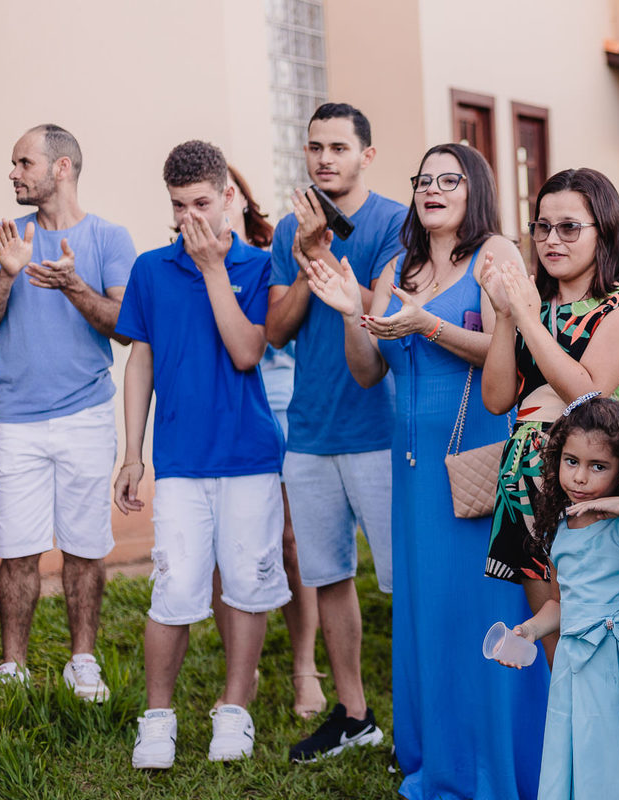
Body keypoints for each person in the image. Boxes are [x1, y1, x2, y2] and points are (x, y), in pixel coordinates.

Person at [305, 142, 549, 800]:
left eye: (451, 179)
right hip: (412, 468)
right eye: (424, 180)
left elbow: (518, 353)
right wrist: (352, 316)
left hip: (477, 459)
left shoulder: (496, 254)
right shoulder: (397, 265)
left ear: (476, 191)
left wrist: (428, 326)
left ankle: (500, 761)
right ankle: (436, 754)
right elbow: (367, 369)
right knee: (427, 611)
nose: (433, 189)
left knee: (484, 606)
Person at [114, 140, 291, 768]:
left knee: (245, 585)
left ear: (230, 198)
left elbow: (247, 352)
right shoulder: (151, 269)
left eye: (202, 203)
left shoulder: (262, 268)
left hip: (248, 457)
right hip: (183, 461)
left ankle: (234, 709)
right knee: (176, 587)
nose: (190, 218)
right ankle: (157, 719)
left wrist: (215, 268)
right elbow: (142, 360)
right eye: (178, 206)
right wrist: (132, 453)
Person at [0, 124, 135, 700]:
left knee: (85, 547)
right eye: (13, 164)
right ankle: (13, 667)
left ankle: (82, 661)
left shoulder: (110, 238)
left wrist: (73, 286)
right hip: (18, 419)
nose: (13, 173)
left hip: (86, 415)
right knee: (17, 549)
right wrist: (10, 275)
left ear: (61, 168)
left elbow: (126, 328)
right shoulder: (1, 236)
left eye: (23, 162)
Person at [265, 103, 405, 759]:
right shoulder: (291, 227)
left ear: (366, 155)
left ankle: (431, 704)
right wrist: (303, 259)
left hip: (380, 426)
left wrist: (332, 261)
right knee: (327, 576)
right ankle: (354, 713)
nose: (325, 159)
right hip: (310, 430)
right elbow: (277, 329)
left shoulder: (394, 224)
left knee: (406, 577)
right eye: (315, 147)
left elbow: (392, 312)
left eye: (339, 148)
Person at [480, 168, 619, 663]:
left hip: (590, 482)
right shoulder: (530, 304)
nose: (551, 239)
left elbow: (586, 394)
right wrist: (502, 317)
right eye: (542, 227)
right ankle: (567, 738)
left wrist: (527, 319)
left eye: (568, 227)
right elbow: (496, 398)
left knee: (594, 627)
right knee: (554, 639)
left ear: (604, 230)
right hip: (526, 480)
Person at [503, 394, 619, 800]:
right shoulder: (560, 527)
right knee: (593, 753)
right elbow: (561, 603)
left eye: (598, 467)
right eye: (571, 461)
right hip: (580, 665)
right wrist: (527, 630)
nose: (579, 478)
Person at [208, 164, 325, 717]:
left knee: (292, 546)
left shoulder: (272, 256)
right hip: (228, 412)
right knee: (222, 548)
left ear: (235, 196)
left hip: (284, 406)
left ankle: (305, 668)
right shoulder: (196, 264)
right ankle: (244, 667)